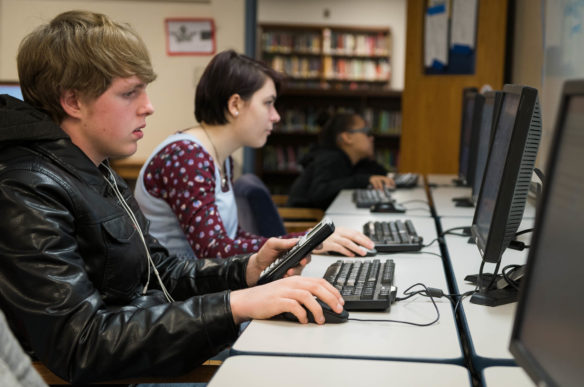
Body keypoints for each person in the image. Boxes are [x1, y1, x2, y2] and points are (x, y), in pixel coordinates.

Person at [0, 10, 343, 385]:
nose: (149, 106)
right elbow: (82, 345)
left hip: (152, 352)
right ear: (73, 101)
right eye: (130, 92)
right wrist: (235, 304)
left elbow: (160, 271)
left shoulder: (94, 168)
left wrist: (247, 270)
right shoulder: (25, 188)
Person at [134, 50, 375, 260]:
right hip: (177, 300)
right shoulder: (186, 156)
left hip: (203, 290)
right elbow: (214, 250)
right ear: (235, 105)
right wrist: (308, 241)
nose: (276, 116)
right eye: (268, 103)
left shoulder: (218, 155)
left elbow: (232, 237)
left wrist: (307, 242)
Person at [287, 112, 395, 210]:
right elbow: (319, 193)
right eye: (366, 132)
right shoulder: (331, 158)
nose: (371, 138)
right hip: (304, 222)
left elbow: (375, 174)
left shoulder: (349, 160)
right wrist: (363, 180)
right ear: (347, 137)